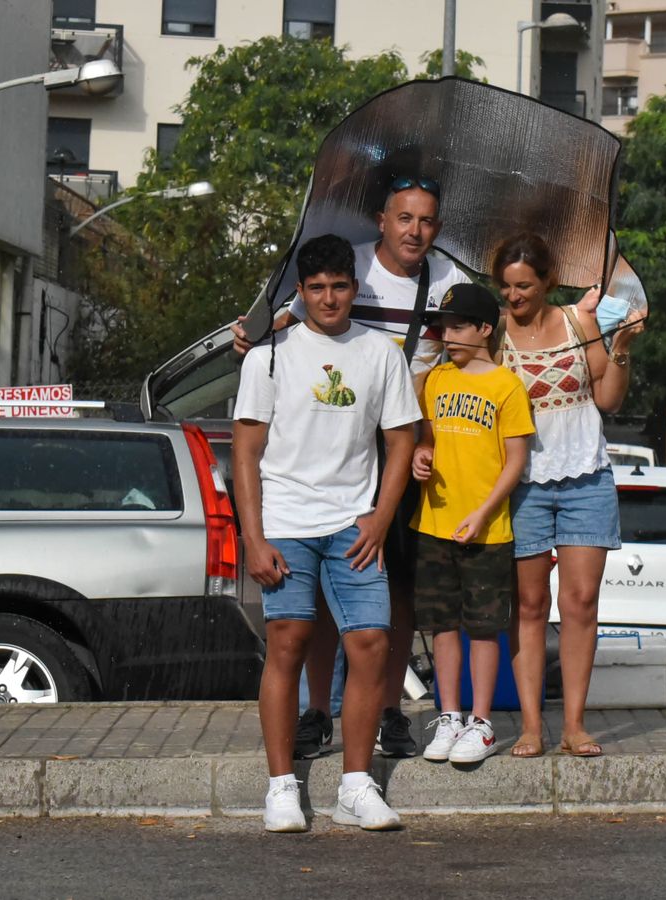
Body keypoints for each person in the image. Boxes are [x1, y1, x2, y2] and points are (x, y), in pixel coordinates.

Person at [234, 175, 471, 760]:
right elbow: (292, 329)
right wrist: (255, 342)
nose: (416, 231)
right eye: (405, 218)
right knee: (311, 600)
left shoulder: (451, 280)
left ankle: (390, 710)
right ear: (383, 220)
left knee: (397, 597)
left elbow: (470, 354)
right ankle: (319, 710)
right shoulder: (347, 265)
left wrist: (430, 436)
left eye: (427, 220)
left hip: (409, 444)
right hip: (334, 447)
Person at [233, 234, 418, 833]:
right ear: (301, 291)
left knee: (369, 643)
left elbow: (401, 441)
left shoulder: (381, 353)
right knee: (288, 640)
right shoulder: (268, 355)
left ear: (354, 286)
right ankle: (281, 787)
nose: (330, 297)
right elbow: (245, 452)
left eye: (340, 285)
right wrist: (254, 539)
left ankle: (356, 787)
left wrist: (382, 516)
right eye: (317, 287)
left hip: (354, 523)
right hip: (285, 521)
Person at [491, 232, 644, 760]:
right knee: (528, 606)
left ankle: (574, 725)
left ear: (547, 282)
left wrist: (620, 350)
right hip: (521, 482)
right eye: (507, 287)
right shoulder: (492, 337)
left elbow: (606, 398)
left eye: (525, 286)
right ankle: (531, 726)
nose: (515, 297)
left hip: (585, 475)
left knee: (580, 602)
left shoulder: (580, 323)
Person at [409, 284, 534, 764]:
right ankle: (449, 715)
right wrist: (422, 454)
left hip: (487, 530)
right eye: (444, 328)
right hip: (434, 522)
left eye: (458, 327)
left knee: (483, 628)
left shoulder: (506, 386)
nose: (448, 336)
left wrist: (483, 512)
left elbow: (515, 461)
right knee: (442, 625)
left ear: (485, 328)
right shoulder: (436, 379)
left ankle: (481, 721)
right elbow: (425, 437)